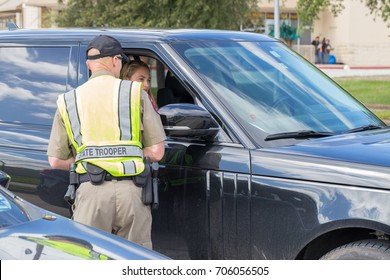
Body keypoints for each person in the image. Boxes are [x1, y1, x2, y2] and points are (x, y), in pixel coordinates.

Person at [47, 35, 166, 249]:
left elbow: (55, 161)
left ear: (88, 65)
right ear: (115, 60)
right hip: (133, 193)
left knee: (89, 258)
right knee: (134, 260)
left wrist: (86, 159)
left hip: (89, 194)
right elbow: (157, 152)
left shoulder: (68, 100)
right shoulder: (135, 92)